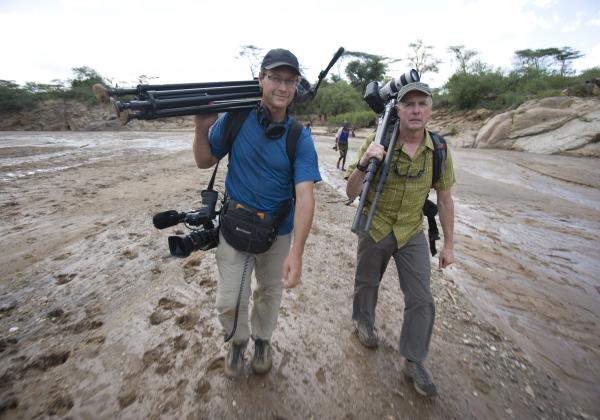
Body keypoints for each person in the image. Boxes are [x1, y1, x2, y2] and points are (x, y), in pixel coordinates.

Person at [193, 48, 321, 378]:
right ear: (261, 79)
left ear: (296, 87)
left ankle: (262, 340)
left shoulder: (299, 137)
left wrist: (297, 251)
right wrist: (200, 130)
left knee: (270, 292)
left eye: (289, 80)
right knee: (229, 299)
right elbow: (204, 161)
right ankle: (237, 343)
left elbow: (305, 196)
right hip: (235, 224)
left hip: (277, 231)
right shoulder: (235, 119)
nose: (282, 86)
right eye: (275, 78)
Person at [345, 82, 455, 397]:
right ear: (398, 110)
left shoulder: (440, 149)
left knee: (422, 298)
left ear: (431, 110)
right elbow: (351, 193)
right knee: (367, 282)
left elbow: (445, 199)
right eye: (409, 104)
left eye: (423, 103)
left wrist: (449, 244)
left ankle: (414, 359)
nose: (416, 110)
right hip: (375, 223)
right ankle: (363, 322)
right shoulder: (376, 140)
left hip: (411, 230)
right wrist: (365, 161)